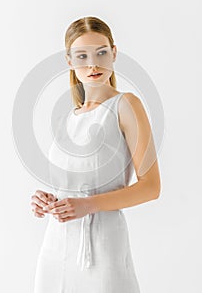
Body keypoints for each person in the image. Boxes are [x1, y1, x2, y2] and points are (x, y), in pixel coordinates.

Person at [31, 16, 161, 292]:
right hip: (56, 246)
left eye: (101, 52)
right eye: (82, 56)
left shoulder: (126, 105)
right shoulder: (68, 117)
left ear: (114, 52)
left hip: (102, 246)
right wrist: (47, 199)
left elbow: (151, 187)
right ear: (69, 60)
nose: (93, 64)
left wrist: (87, 205)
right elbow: (69, 186)